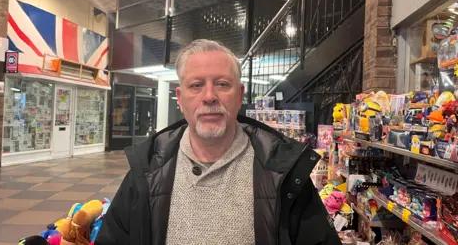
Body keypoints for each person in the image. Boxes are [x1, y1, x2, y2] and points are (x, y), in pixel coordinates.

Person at [96, 39, 341, 244]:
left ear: (240, 96)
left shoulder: (285, 173)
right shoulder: (146, 170)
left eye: (222, 84)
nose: (210, 96)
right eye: (196, 85)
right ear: (180, 99)